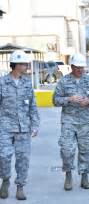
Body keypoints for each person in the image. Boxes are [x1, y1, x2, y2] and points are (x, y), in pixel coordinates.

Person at [53, 53, 89, 191]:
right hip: (68, 121)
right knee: (67, 150)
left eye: (82, 67)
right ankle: (68, 176)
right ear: (72, 67)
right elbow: (55, 100)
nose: (80, 70)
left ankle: (84, 177)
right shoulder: (63, 82)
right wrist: (69, 99)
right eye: (77, 67)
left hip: (85, 122)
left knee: (85, 150)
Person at [0, 50, 40, 200]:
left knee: (23, 159)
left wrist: (35, 124)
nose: (26, 66)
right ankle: (5, 180)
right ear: (16, 65)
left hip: (24, 127)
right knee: (3, 156)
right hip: (4, 127)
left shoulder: (26, 82)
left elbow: (33, 106)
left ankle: (20, 187)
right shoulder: (2, 82)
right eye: (23, 63)